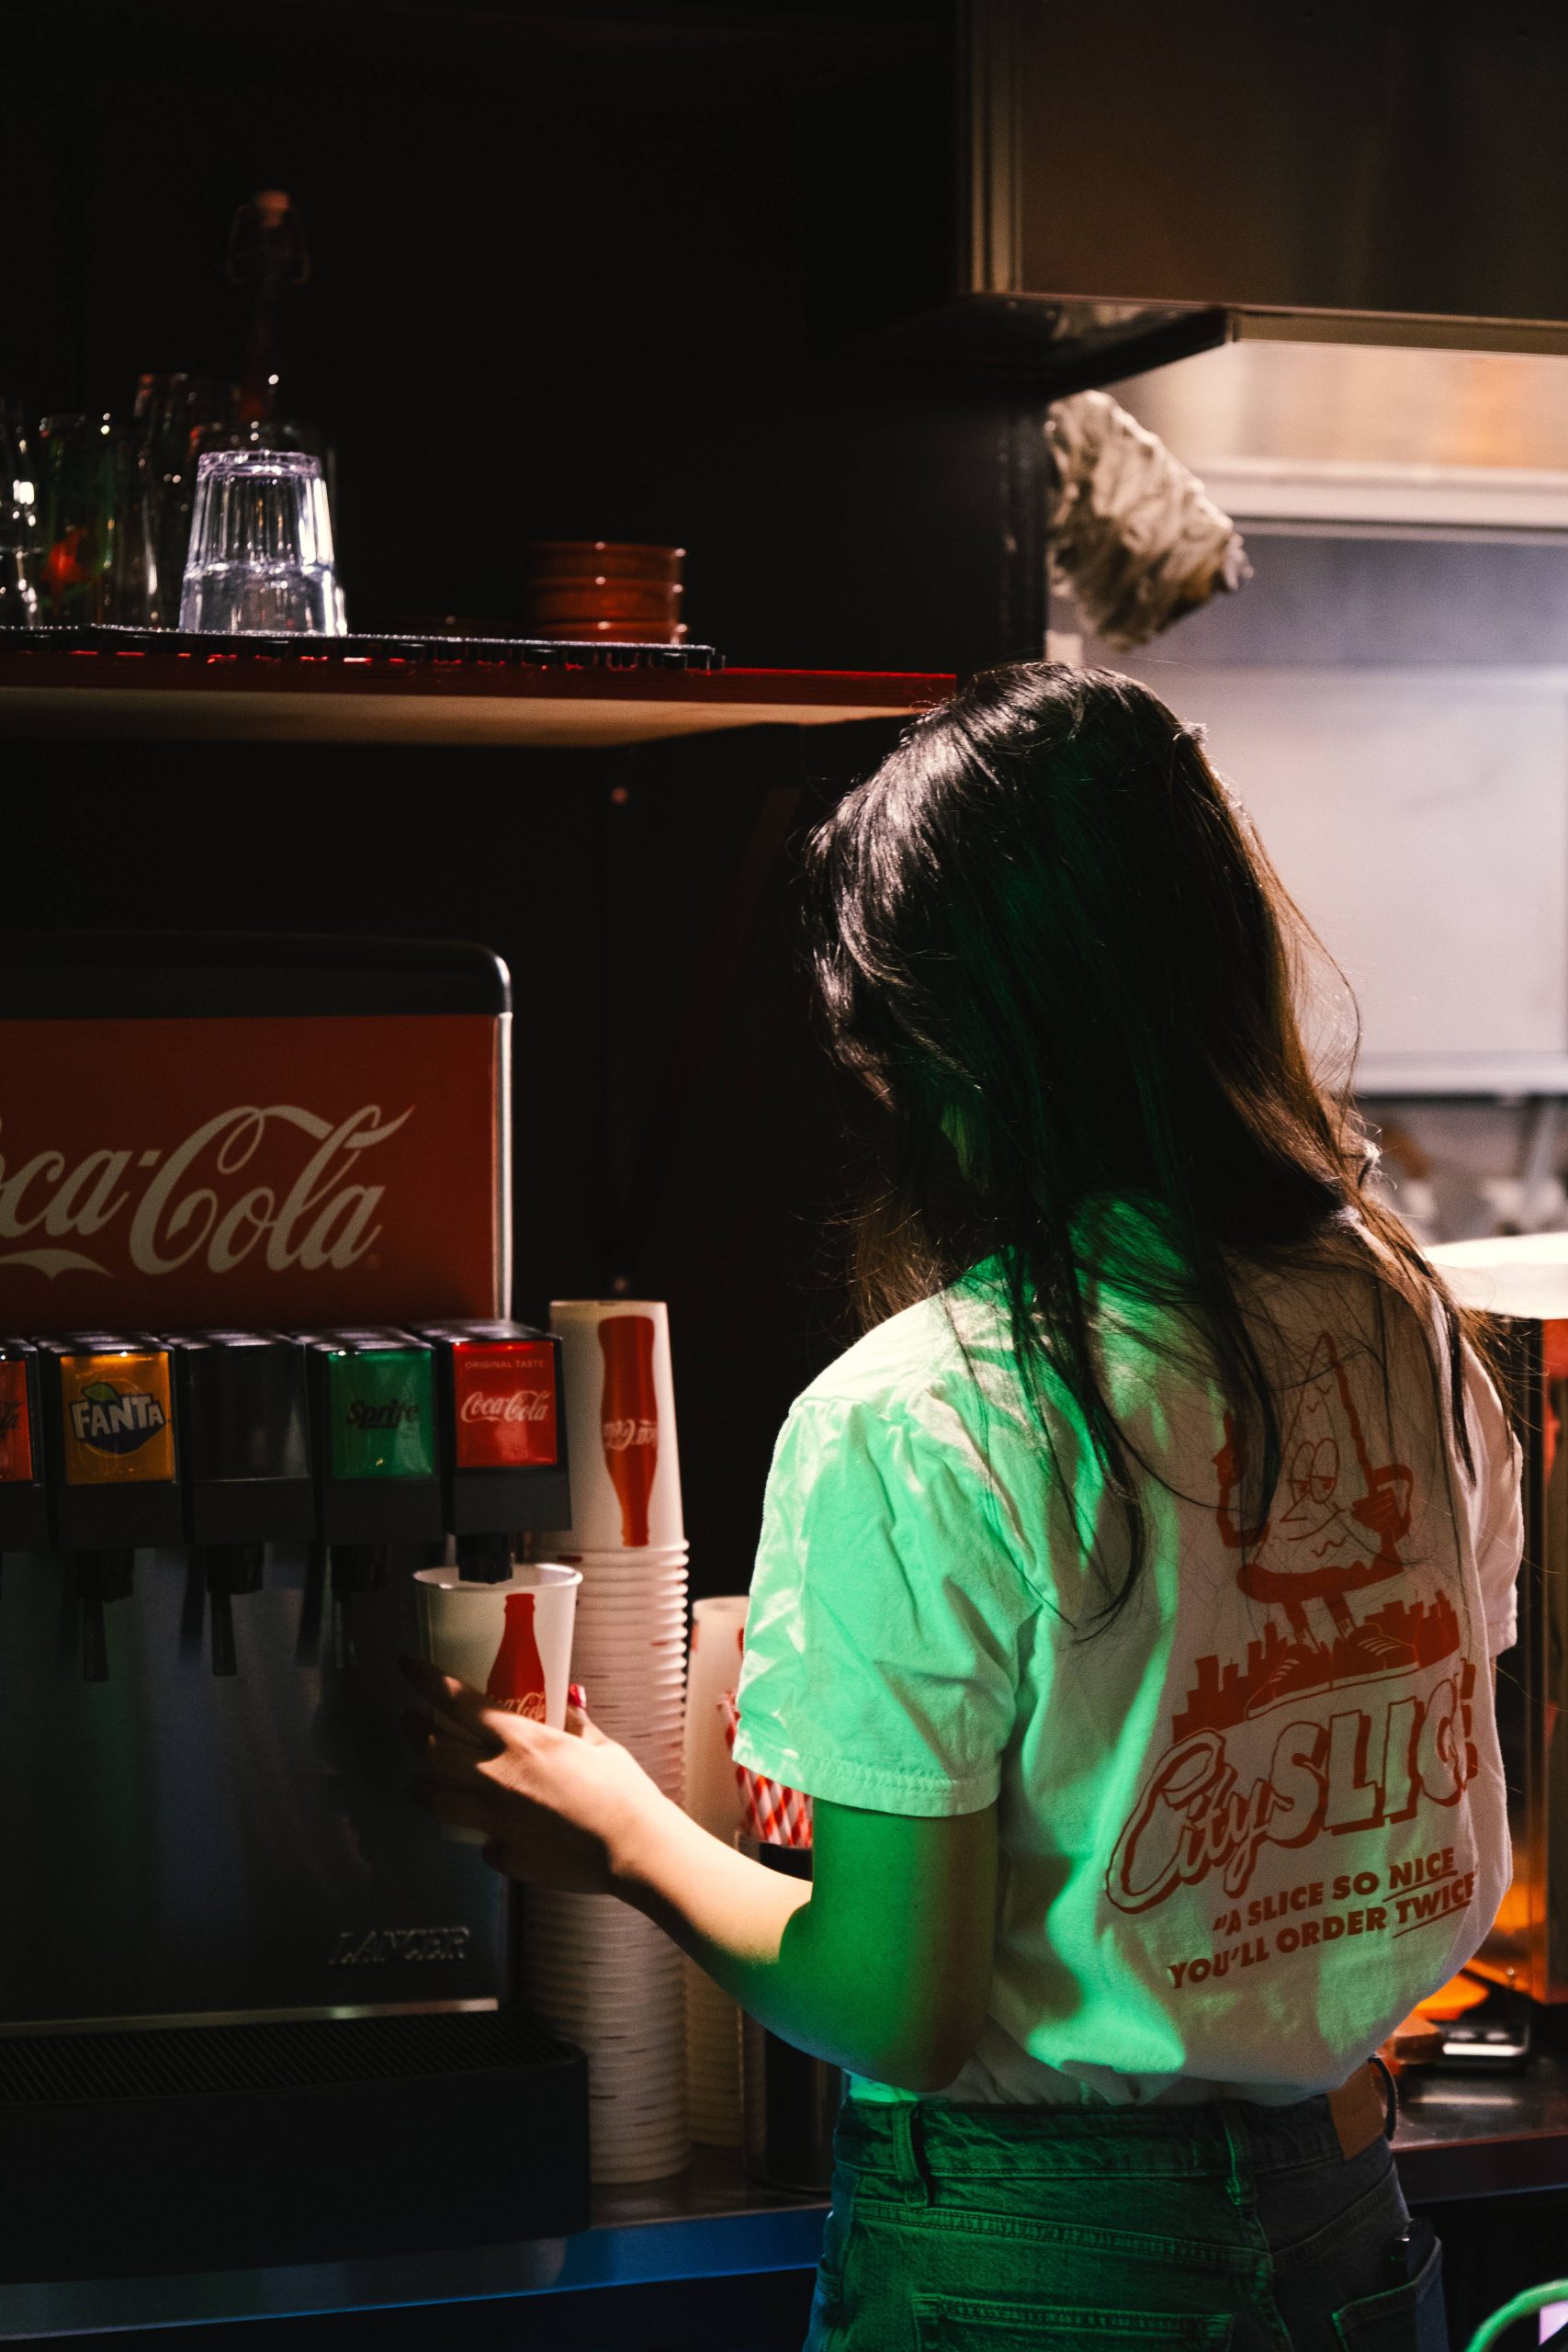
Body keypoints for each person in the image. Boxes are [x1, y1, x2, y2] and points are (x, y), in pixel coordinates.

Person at [403, 665, 1521, 2351]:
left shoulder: (921, 1420)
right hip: (1345, 2212)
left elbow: (891, 2007)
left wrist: (620, 1830)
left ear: (938, 1050)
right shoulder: (1403, 1321)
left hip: (1040, 2259)